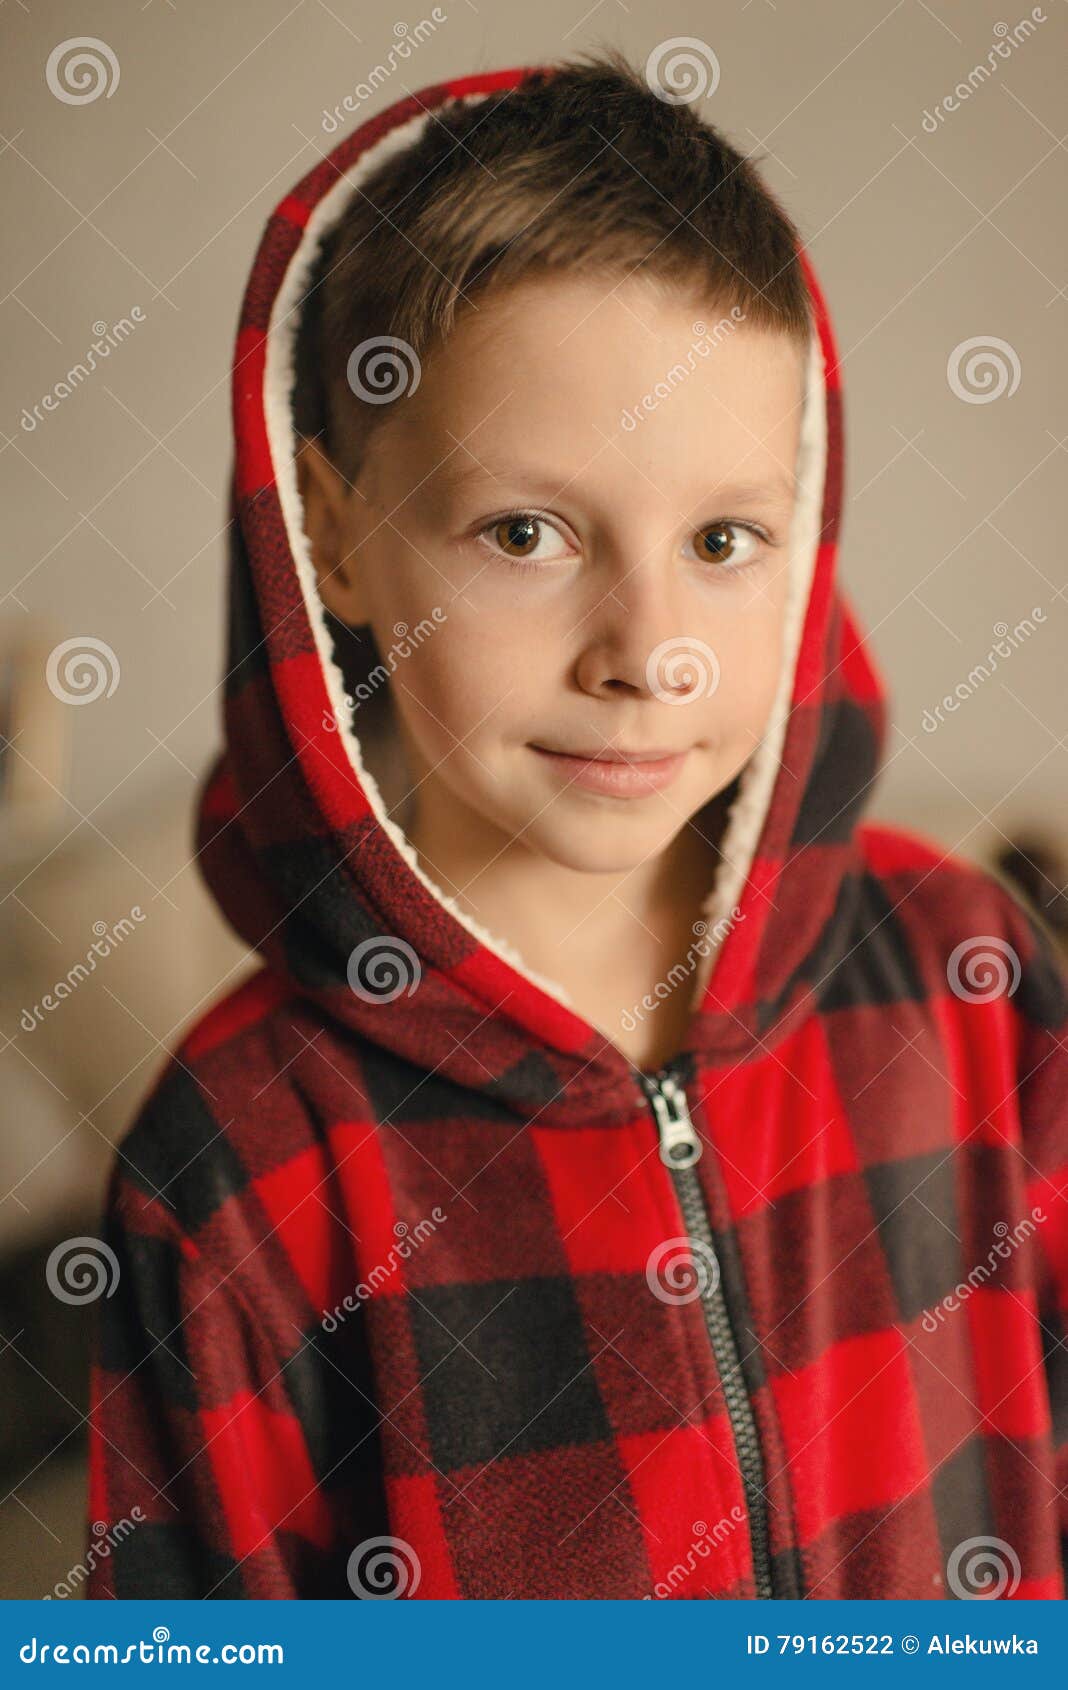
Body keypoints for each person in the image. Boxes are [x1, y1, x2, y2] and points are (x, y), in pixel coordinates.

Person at [84, 49, 1068, 1600]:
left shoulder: (969, 976)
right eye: (527, 531)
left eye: (725, 538)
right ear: (334, 535)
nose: (648, 650)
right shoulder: (234, 1163)